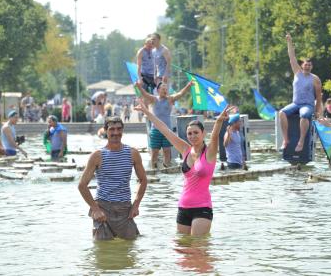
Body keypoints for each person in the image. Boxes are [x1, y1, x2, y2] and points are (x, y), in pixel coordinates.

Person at [135, 99, 233, 236]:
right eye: (189, 133)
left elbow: (215, 136)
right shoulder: (185, 149)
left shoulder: (209, 152)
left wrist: (218, 121)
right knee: (183, 250)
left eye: (196, 132)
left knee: (198, 248)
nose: (192, 136)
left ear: (203, 134)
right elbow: (164, 130)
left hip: (202, 208)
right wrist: (147, 112)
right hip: (183, 207)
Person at [78, 116, 147, 240]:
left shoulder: (132, 153)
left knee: (130, 249)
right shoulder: (97, 156)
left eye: (119, 129)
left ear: (123, 130)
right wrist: (95, 209)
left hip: (125, 209)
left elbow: (143, 180)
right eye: (112, 129)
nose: (116, 133)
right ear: (105, 131)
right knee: (103, 252)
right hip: (103, 209)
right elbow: (82, 185)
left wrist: (136, 205)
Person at [280, 33, 322, 152]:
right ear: (302, 65)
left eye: (309, 65)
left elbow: (318, 97)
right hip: (296, 103)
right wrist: (289, 41)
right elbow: (291, 56)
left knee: (303, 115)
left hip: (307, 105)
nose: (307, 66)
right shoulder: (297, 72)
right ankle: (285, 139)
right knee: (282, 113)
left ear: (311, 66)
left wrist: (317, 112)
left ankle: (301, 141)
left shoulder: (315, 79)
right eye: (305, 64)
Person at [137, 81, 193, 168]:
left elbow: (181, 93)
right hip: (155, 130)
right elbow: (145, 94)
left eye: (166, 89)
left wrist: (188, 85)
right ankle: (154, 169)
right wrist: (139, 87)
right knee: (155, 152)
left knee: (167, 151)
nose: (165, 90)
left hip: (167, 131)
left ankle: (167, 167)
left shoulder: (170, 99)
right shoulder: (154, 99)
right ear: (158, 90)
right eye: (163, 89)